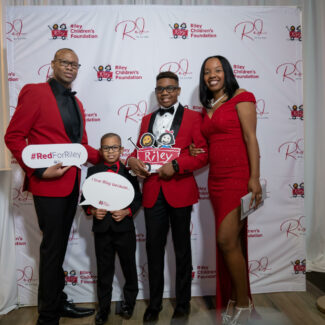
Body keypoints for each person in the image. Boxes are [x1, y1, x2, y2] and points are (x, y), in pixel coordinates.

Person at [5, 48, 100, 325]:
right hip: (48, 187)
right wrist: (37, 170)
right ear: (53, 64)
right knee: (51, 251)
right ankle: (47, 317)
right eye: (64, 62)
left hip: (71, 185)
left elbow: (79, 148)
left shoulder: (78, 104)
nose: (70, 67)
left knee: (56, 249)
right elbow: (13, 136)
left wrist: (108, 156)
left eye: (74, 64)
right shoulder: (35, 92)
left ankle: (57, 303)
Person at [127, 71, 208, 322]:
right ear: (156, 91)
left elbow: (202, 154)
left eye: (170, 88)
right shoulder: (146, 119)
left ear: (178, 90)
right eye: (160, 89)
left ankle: (183, 303)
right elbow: (140, 150)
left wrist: (176, 165)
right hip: (152, 191)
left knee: (183, 250)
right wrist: (131, 160)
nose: (165, 93)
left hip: (180, 190)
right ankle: (154, 304)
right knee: (153, 249)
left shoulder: (194, 118)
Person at [191, 55, 262, 325]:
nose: (212, 75)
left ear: (227, 73)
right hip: (216, 180)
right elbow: (210, 147)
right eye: (207, 71)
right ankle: (235, 298)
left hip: (238, 177)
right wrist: (196, 150)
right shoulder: (207, 106)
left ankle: (244, 306)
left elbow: (250, 138)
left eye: (218, 70)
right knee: (230, 243)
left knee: (226, 240)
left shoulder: (242, 97)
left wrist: (254, 177)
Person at [81, 133, 141, 325]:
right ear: (100, 150)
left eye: (114, 147)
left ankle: (129, 304)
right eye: (106, 148)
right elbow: (85, 200)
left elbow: (138, 198)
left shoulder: (129, 171)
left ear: (121, 150)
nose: (111, 151)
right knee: (104, 271)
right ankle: (104, 309)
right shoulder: (92, 172)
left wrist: (127, 211)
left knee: (129, 268)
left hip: (124, 229)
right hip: (102, 231)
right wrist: (91, 210)